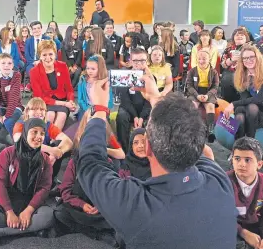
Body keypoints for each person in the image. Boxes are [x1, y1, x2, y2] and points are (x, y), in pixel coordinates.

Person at [77, 72, 237, 249]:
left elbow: (90, 164)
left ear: (147, 148)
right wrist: (155, 98)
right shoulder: (220, 182)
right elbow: (189, 140)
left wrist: (99, 108)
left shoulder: (136, 206)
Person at [0, 118, 55, 245]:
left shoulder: (44, 159)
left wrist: (29, 210)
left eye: (42, 133)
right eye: (34, 132)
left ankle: (1, 232)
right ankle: (29, 228)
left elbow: (44, 188)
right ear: (25, 132)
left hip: (29, 201)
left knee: (48, 216)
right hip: (6, 199)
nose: (38, 137)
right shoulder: (7, 153)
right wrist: (9, 211)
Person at [54, 114, 121, 242]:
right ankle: (94, 233)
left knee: (115, 217)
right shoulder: (74, 162)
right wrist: (82, 205)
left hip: (100, 210)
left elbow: (113, 194)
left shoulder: (108, 162)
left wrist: (100, 206)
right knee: (59, 213)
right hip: (79, 209)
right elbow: (66, 191)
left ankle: (88, 231)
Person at [12, 97, 73, 186]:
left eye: (42, 109)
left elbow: (68, 142)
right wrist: (51, 150)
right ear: (27, 111)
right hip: (26, 158)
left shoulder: (48, 125)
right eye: (35, 109)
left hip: (45, 158)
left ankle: (51, 178)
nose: (39, 112)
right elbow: (21, 142)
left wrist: (55, 154)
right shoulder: (20, 125)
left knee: (61, 145)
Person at [30, 40, 75, 130]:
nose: (48, 58)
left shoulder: (62, 66)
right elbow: (40, 96)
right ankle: (47, 140)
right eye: (44, 55)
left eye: (50, 54)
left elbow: (69, 89)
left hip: (62, 101)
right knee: (50, 115)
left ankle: (53, 141)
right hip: (45, 102)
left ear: (55, 54)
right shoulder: (34, 71)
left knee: (61, 115)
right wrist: (65, 104)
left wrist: (70, 101)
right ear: (40, 56)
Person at [227, 137, 263, 249]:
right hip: (231, 227)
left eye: (248, 160)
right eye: (237, 158)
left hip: (256, 225)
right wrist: (242, 232)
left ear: (259, 164)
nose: (242, 164)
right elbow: (219, 215)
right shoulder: (223, 182)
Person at [224, 44, 263, 139]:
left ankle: (250, 142)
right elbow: (244, 98)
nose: (248, 60)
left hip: (260, 112)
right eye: (245, 58)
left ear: (257, 57)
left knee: (250, 107)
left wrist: (233, 104)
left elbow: (259, 99)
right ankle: (239, 147)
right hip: (248, 111)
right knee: (240, 117)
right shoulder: (242, 75)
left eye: (251, 57)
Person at [116, 48, 151, 153]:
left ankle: (149, 150)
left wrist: (141, 117)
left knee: (154, 117)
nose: (138, 63)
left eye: (142, 61)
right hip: (128, 108)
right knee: (121, 116)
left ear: (147, 61)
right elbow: (124, 100)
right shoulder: (123, 76)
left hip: (144, 108)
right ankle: (125, 150)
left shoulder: (150, 77)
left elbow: (149, 101)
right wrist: (135, 116)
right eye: (135, 61)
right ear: (130, 61)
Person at [186, 50, 219, 142]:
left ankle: (210, 130)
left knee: (210, 107)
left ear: (209, 59)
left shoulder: (214, 72)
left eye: (204, 59)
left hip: (208, 92)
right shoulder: (192, 71)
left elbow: (215, 86)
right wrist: (197, 96)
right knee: (193, 106)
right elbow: (189, 86)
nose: (201, 61)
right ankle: (192, 130)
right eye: (199, 59)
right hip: (195, 92)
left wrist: (208, 96)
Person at [78, 54, 113, 121]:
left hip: (101, 109)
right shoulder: (82, 80)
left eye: (93, 69)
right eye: (88, 68)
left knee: (101, 123)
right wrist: (88, 110)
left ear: (100, 69)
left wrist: (100, 110)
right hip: (86, 108)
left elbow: (110, 102)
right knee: (85, 123)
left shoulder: (105, 82)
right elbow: (80, 100)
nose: (90, 71)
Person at [222, 27, 251, 103]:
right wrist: (231, 60)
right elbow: (223, 65)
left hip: (246, 73)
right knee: (227, 78)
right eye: (237, 35)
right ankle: (228, 105)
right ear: (233, 38)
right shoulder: (228, 49)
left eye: (242, 35)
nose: (239, 36)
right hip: (230, 75)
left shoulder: (251, 48)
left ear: (246, 37)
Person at [25, 21, 48, 90]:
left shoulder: (47, 39)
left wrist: (41, 61)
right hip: (32, 63)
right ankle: (38, 87)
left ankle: (32, 86)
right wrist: (34, 62)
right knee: (30, 71)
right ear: (32, 31)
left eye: (38, 28)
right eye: (34, 29)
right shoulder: (28, 41)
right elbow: (27, 55)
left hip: (45, 63)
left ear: (41, 29)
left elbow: (50, 53)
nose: (36, 30)